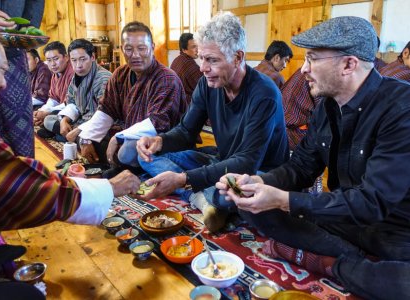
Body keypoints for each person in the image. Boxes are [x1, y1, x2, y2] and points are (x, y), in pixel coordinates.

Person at [216, 16, 410, 300]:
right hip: (344, 219)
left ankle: (330, 262)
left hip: (397, 232)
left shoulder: (401, 107)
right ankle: (346, 258)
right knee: (249, 205)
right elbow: (300, 168)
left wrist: (284, 200)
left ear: (349, 64)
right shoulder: (325, 107)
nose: (303, 69)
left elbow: (372, 202)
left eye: (312, 59)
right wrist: (256, 182)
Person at [0, 21, 140, 299]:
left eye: (140, 48)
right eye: (2, 71)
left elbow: (159, 125)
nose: (5, 82)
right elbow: (25, 187)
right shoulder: (117, 75)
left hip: (134, 138)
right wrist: (110, 186)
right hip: (98, 133)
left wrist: (96, 135)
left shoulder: (123, 77)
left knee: (129, 150)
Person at [136, 12, 289, 232]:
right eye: (201, 58)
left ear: (237, 58)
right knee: (146, 157)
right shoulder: (206, 84)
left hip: (259, 174)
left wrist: (183, 179)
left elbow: (247, 163)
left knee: (230, 194)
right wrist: (159, 140)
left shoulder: (264, 93)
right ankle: (201, 199)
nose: (202, 68)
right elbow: (186, 132)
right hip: (224, 162)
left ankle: (207, 198)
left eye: (212, 60)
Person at [76, 21, 186, 167]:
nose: (135, 55)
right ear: (122, 49)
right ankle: (119, 165)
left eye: (141, 48)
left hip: (160, 141)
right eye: (129, 49)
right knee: (85, 137)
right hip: (130, 134)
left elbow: (157, 124)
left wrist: (118, 137)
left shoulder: (166, 78)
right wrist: (87, 139)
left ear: (152, 47)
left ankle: (126, 166)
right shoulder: (120, 74)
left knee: (126, 151)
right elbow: (106, 109)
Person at [0, 1, 45, 158]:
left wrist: (27, 32)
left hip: (14, 52)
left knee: (20, 132)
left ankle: (23, 177)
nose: (3, 84)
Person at [41, 39, 111, 143]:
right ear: (69, 59)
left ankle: (72, 137)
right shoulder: (76, 76)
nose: (78, 65)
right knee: (49, 120)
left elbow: (104, 114)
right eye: (74, 60)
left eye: (83, 59)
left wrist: (79, 130)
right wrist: (64, 120)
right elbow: (72, 102)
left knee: (101, 139)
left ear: (92, 57)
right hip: (81, 120)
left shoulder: (103, 78)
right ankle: (69, 136)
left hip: (98, 123)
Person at [34, 41, 74, 128]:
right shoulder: (55, 74)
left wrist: (48, 112)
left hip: (71, 111)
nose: (52, 64)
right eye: (49, 60)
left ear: (66, 57)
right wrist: (42, 111)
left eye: (56, 59)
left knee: (48, 120)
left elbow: (71, 104)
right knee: (41, 118)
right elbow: (53, 99)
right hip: (60, 109)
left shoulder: (73, 73)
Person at [170, 32, 202, 102]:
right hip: (186, 106)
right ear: (184, 50)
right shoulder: (190, 65)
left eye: (197, 46)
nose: (197, 49)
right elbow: (204, 87)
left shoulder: (176, 60)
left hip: (175, 102)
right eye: (193, 47)